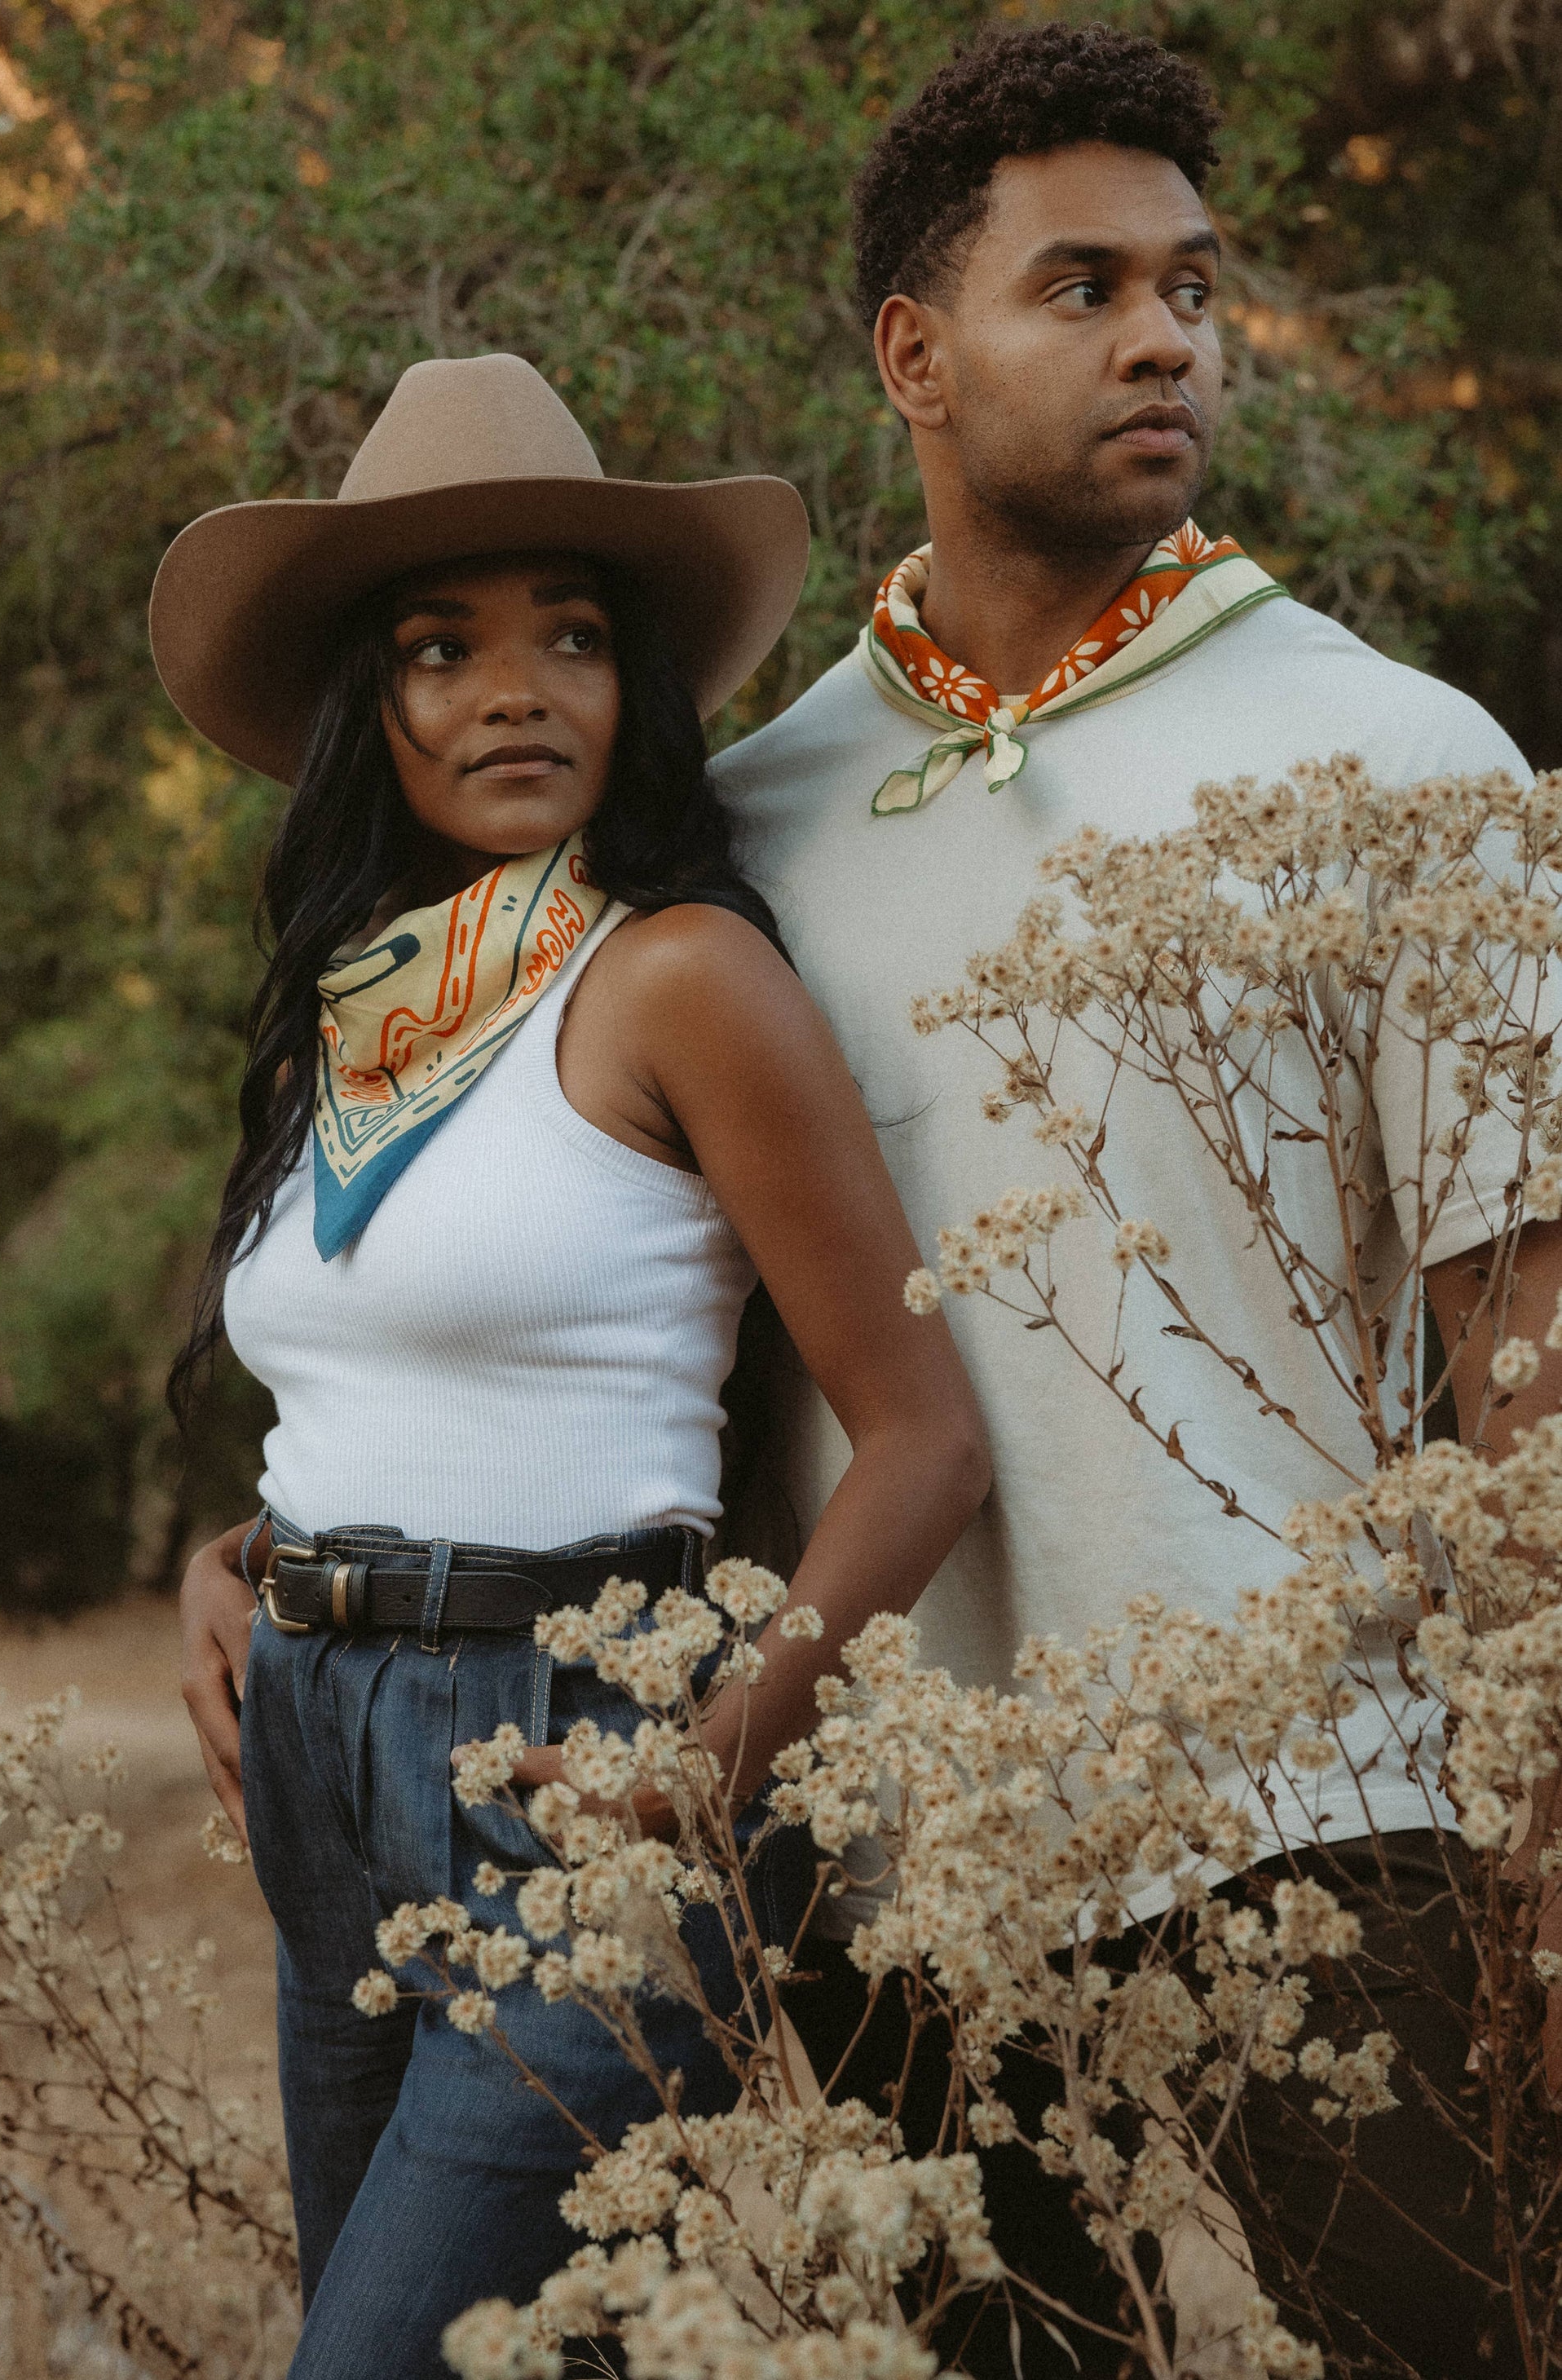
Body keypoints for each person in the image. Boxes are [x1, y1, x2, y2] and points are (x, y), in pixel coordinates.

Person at [713, 23, 1548, 2379]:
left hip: (1331, 1810)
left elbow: (1524, 1343)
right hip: (896, 1868)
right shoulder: (744, 824)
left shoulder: (1394, 756)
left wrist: (1543, 1824)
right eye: (1078, 286)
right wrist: (275, 1544)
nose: (1165, 335)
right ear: (915, 355)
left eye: (1190, 286)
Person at [159, 352, 991, 2380]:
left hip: (576, 1760)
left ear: (636, 691)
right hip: (326, 1753)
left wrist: (705, 1768)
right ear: (371, 706)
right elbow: (393, 1384)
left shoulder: (680, 973)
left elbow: (922, 1436)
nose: (515, 690)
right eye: (442, 648)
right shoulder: (360, 1017)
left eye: (573, 636)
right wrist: (242, 1557)